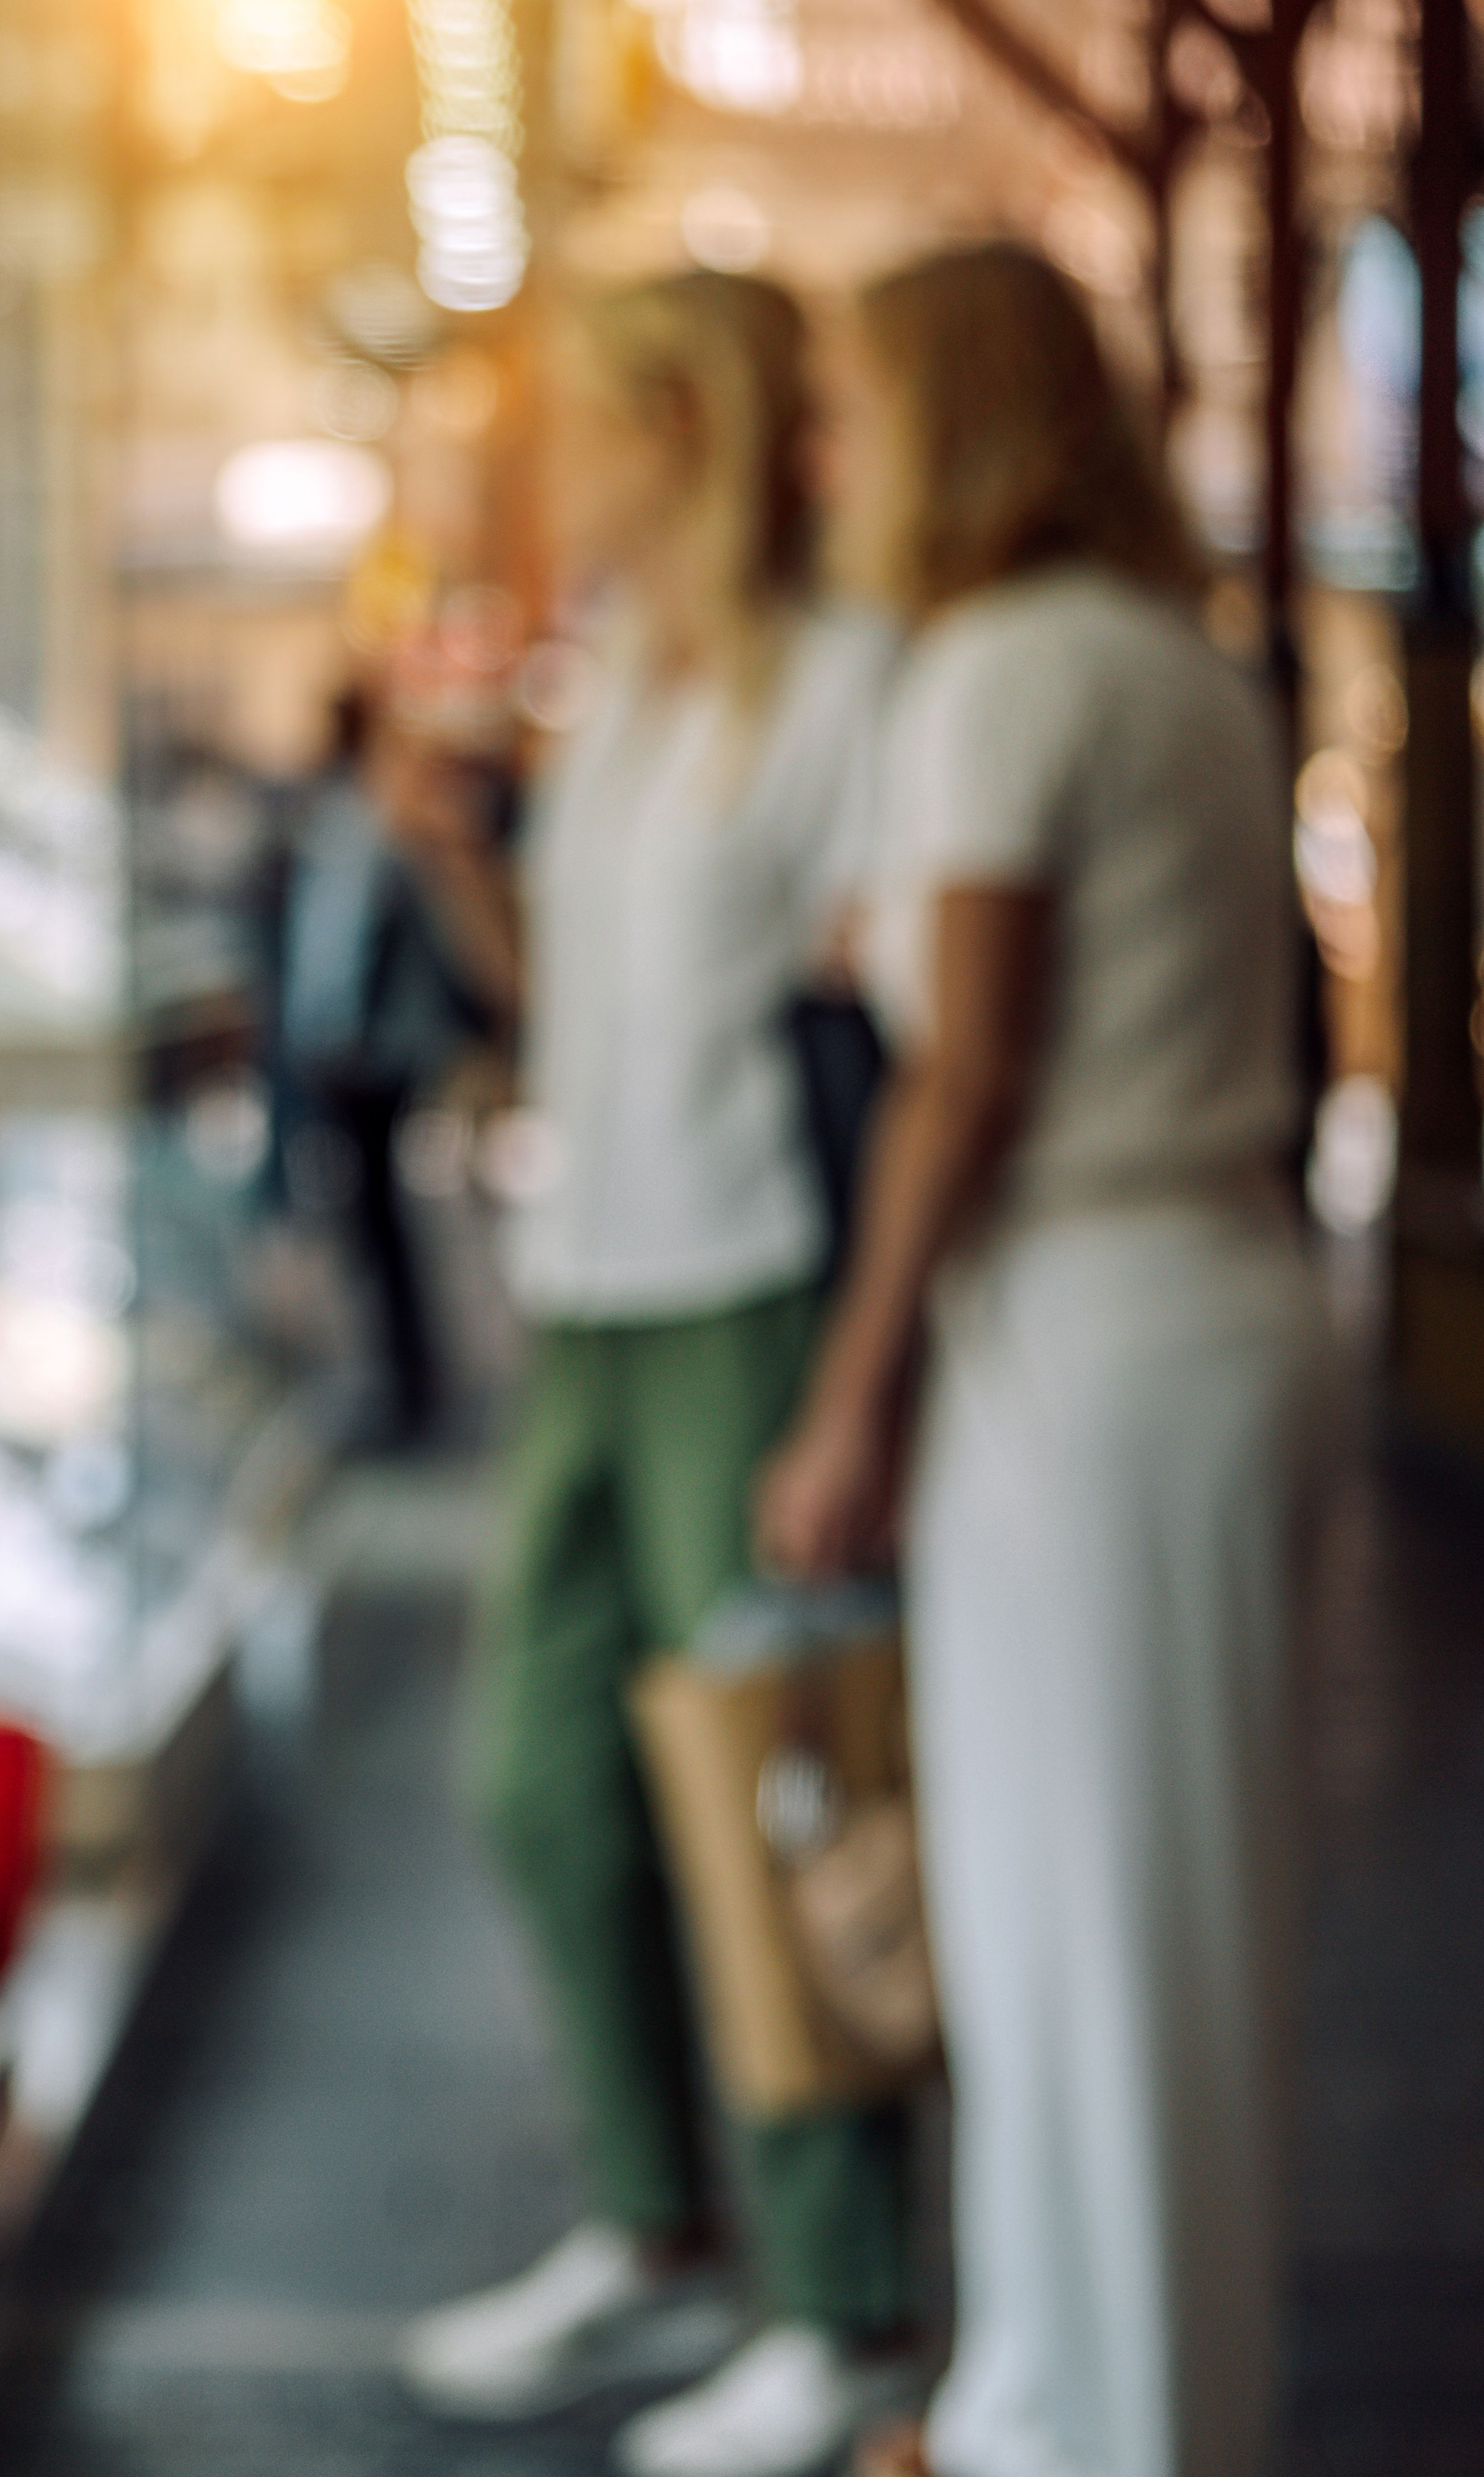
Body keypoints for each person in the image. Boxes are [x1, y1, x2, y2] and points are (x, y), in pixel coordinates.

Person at [755, 240, 1323, 2477]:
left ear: (948, 422)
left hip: (1084, 1343)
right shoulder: (1169, 665)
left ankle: (1096, 2430)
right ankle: (1055, 2410)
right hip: (1188, 1313)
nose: (831, 458)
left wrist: (849, 1397)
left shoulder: (991, 670)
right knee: (1137, 1928)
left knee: (1087, 1939)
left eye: (856, 411)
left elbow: (966, 1078)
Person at [380, 269, 915, 2477]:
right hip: (593, 1296)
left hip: (755, 1301)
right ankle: (653, 2226)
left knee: (772, 1810)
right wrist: (452, 873)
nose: (552, 473)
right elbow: (578, 1027)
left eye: (586, 428)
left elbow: (907, 1050)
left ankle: (854, 2305)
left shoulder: (847, 695)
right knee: (542, 1772)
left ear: (682, 434)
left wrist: (865, 1390)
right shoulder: (621, 708)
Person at [256, 683, 466, 1444]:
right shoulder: (337, 820)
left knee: (381, 1227)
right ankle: (397, 1380)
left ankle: (411, 1389)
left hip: (373, 1054)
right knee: (365, 1224)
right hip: (338, 1045)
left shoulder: (392, 827)